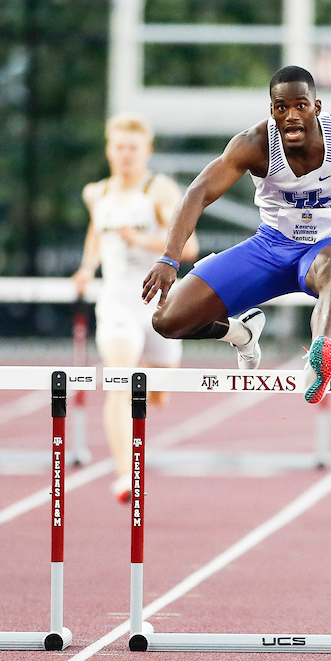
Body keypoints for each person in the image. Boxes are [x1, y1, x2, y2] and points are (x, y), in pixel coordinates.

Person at [142, 65, 331, 404]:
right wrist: (169, 258)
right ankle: (241, 333)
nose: (291, 116)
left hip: (328, 247)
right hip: (270, 248)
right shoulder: (254, 144)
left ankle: (320, 356)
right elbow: (198, 192)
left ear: (317, 107)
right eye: (281, 107)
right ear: (271, 110)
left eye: (300, 105)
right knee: (168, 321)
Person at [72, 115, 198, 502]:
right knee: (119, 384)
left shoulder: (158, 190)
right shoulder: (97, 192)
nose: (125, 155)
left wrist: (140, 239)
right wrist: (86, 267)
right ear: (109, 149)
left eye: (133, 148)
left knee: (158, 395)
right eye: (119, 147)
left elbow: (189, 248)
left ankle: (147, 371)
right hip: (117, 306)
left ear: (147, 151)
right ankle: (126, 475)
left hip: (158, 309)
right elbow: (96, 230)